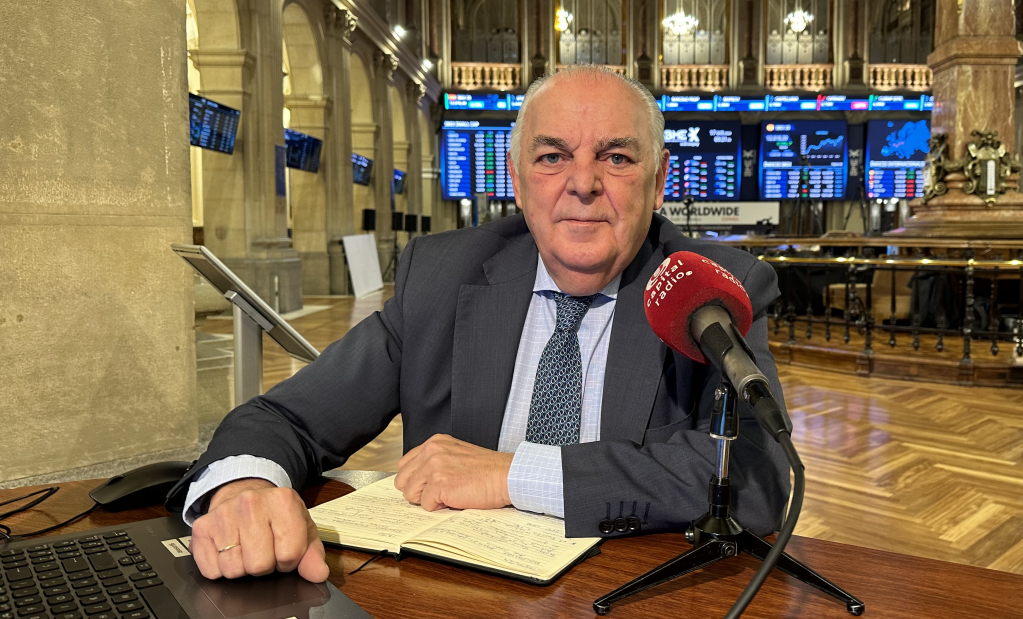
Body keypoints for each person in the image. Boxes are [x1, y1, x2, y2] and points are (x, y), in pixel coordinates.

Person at [168, 66, 791, 583]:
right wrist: (243, 488)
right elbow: (287, 418)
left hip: (626, 592)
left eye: (617, 157)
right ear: (517, 181)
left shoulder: (711, 289)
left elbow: (757, 476)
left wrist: (514, 474)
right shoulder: (442, 276)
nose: (583, 184)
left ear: (657, 184)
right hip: (452, 593)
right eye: (553, 156)